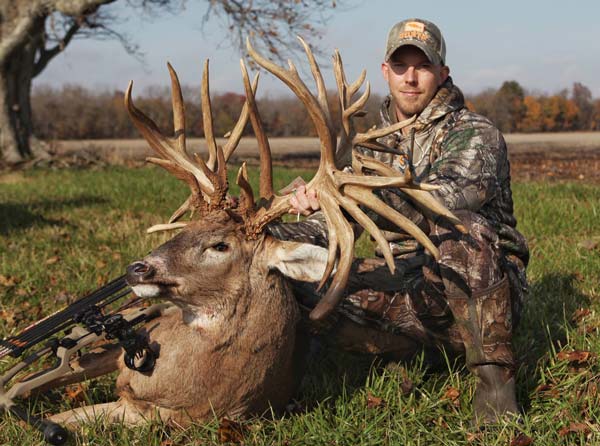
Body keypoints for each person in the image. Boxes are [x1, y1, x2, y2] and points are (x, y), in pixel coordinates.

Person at [268, 18, 529, 423]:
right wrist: (290, 216)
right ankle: (392, 356)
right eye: (401, 66)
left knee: (461, 228)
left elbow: (440, 202)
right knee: (291, 266)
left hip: (478, 290)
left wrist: (353, 193)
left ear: (442, 73)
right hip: (406, 287)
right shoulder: (371, 147)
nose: (411, 78)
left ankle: (496, 393)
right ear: (385, 71)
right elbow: (336, 225)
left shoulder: (476, 134)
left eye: (422, 67)